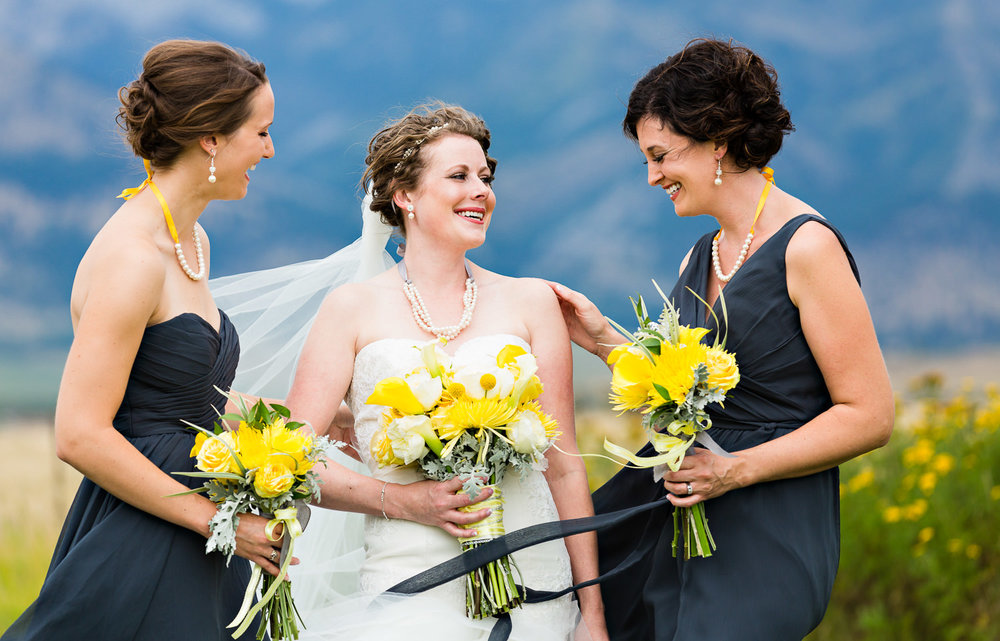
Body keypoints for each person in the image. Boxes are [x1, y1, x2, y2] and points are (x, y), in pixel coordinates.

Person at [548, 38, 894, 640]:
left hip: (767, 523)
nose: (653, 177)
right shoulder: (700, 254)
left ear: (717, 142)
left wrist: (735, 471)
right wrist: (604, 340)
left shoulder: (807, 247)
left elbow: (870, 415)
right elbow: (695, 386)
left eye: (661, 156)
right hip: (679, 512)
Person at [272, 103, 608, 640]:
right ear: (405, 196)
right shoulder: (350, 309)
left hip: (536, 579)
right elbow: (290, 462)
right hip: (410, 576)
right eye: (458, 176)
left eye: (485, 177)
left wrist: (591, 612)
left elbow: (564, 467)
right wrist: (402, 501)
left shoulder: (531, 300)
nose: (481, 190)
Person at [2, 40, 282, 641]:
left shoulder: (192, 241)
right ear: (211, 137)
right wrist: (216, 523)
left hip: (199, 528)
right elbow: (79, 433)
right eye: (260, 132)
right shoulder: (132, 259)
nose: (268, 149)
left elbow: (180, 398)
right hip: (150, 533)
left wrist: (285, 427)